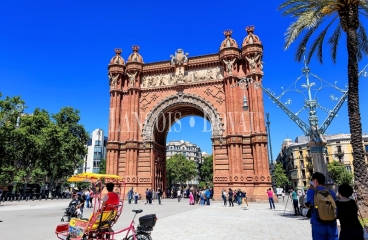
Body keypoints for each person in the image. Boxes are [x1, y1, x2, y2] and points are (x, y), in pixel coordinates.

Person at [306, 172, 338, 240]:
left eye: (312, 180)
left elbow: (308, 205)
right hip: (331, 223)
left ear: (315, 181)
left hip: (318, 223)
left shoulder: (311, 192)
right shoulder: (331, 193)